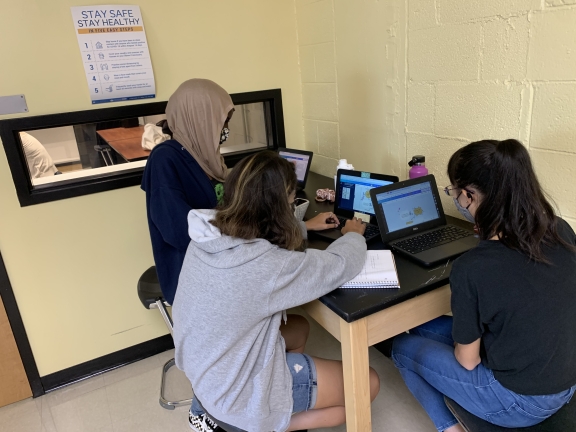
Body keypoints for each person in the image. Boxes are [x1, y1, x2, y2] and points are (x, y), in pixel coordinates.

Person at [173, 151, 380, 432]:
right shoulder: (267, 267)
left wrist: (302, 226)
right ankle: (267, 423)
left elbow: (256, 231)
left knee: (299, 327)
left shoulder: (206, 235)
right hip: (236, 394)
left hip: (206, 371)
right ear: (278, 207)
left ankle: (270, 410)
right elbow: (339, 265)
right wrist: (355, 235)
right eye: (291, 202)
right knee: (368, 383)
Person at [391, 139, 576, 432]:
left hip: (522, 401)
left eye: (454, 192)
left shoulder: (473, 268)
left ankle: (453, 428)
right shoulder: (560, 228)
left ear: (469, 195)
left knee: (402, 347)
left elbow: (467, 361)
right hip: (565, 379)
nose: (456, 199)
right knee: (422, 327)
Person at [141, 78, 235, 306]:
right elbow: (178, 231)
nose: (225, 130)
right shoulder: (166, 159)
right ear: (200, 120)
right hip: (195, 277)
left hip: (224, 263)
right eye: (221, 122)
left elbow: (231, 209)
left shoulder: (207, 158)